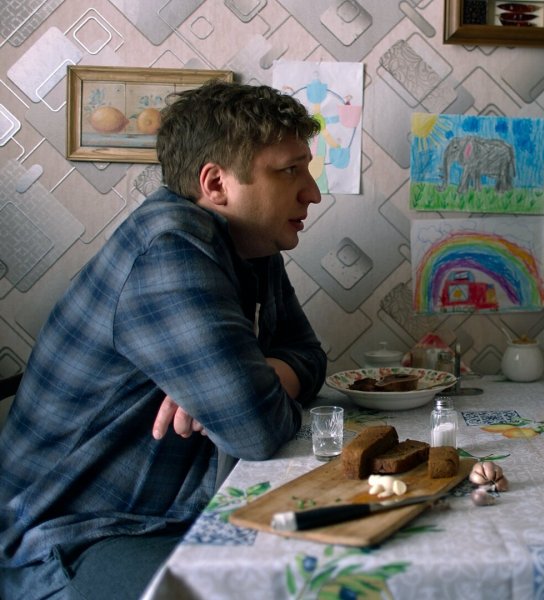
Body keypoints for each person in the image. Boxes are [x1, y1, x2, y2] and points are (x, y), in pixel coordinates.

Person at [0, 80, 328, 599]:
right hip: (69, 541)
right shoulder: (171, 247)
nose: (312, 191)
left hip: (161, 512)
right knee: (288, 583)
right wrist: (239, 391)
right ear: (216, 183)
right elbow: (257, 429)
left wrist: (254, 375)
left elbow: (309, 356)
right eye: (290, 170)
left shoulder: (253, 245)